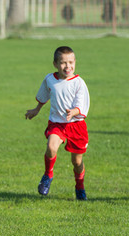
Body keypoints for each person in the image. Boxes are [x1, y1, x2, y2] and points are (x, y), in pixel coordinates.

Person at [25, 46, 90, 200]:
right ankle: (48, 175)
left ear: (75, 62)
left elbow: (81, 105)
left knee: (77, 161)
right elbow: (44, 95)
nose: (67, 66)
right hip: (57, 123)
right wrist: (36, 109)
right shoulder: (50, 80)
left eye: (70, 62)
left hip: (76, 125)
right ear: (55, 64)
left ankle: (79, 186)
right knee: (51, 147)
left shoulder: (78, 83)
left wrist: (74, 111)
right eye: (63, 63)